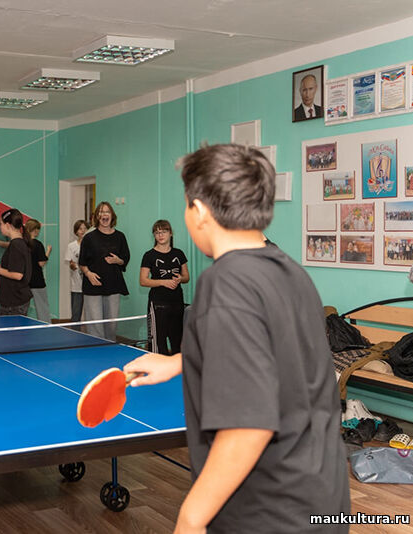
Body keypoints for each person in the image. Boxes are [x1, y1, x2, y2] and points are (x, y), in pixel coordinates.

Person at [124, 144, 349, 533]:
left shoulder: (225, 282)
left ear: (200, 212)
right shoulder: (289, 270)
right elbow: (274, 353)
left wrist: (191, 518)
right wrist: (179, 361)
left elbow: (249, 426)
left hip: (268, 509)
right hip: (323, 497)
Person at [78, 202, 130, 341]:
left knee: (111, 325)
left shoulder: (120, 237)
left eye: (107, 212)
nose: (104, 215)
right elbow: (82, 262)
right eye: (101, 212)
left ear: (112, 216)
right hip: (93, 285)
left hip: (113, 285)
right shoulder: (89, 238)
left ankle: (109, 349)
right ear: (96, 216)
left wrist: (118, 260)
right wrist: (88, 274)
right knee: (95, 325)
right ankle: (96, 349)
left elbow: (125, 259)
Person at [139, 219, 189, 354]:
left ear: (170, 233)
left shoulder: (179, 254)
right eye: (157, 233)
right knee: (159, 342)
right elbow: (143, 281)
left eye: (164, 232)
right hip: (158, 304)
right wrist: (163, 282)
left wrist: (180, 279)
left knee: (177, 340)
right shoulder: (149, 255)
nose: (160, 235)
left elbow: (186, 277)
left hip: (177, 302)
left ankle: (177, 366)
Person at [0, 208, 32, 316]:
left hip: (14, 301)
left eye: (1, 224)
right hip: (14, 299)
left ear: (8, 225)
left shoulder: (16, 245)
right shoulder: (18, 243)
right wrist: (2, 269)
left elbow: (17, 275)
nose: (0, 227)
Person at [25, 218, 52, 322]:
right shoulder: (38, 244)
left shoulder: (22, 243)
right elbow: (41, 263)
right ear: (35, 230)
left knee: (23, 308)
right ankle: (46, 326)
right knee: (42, 307)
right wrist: (48, 251)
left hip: (24, 280)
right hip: (37, 280)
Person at [64, 219, 88, 324]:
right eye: (80, 229)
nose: (83, 231)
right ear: (76, 231)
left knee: (92, 313)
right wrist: (73, 266)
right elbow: (70, 263)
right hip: (77, 284)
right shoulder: (71, 246)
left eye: (85, 228)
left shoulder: (92, 245)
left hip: (91, 284)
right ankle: (75, 330)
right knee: (76, 313)